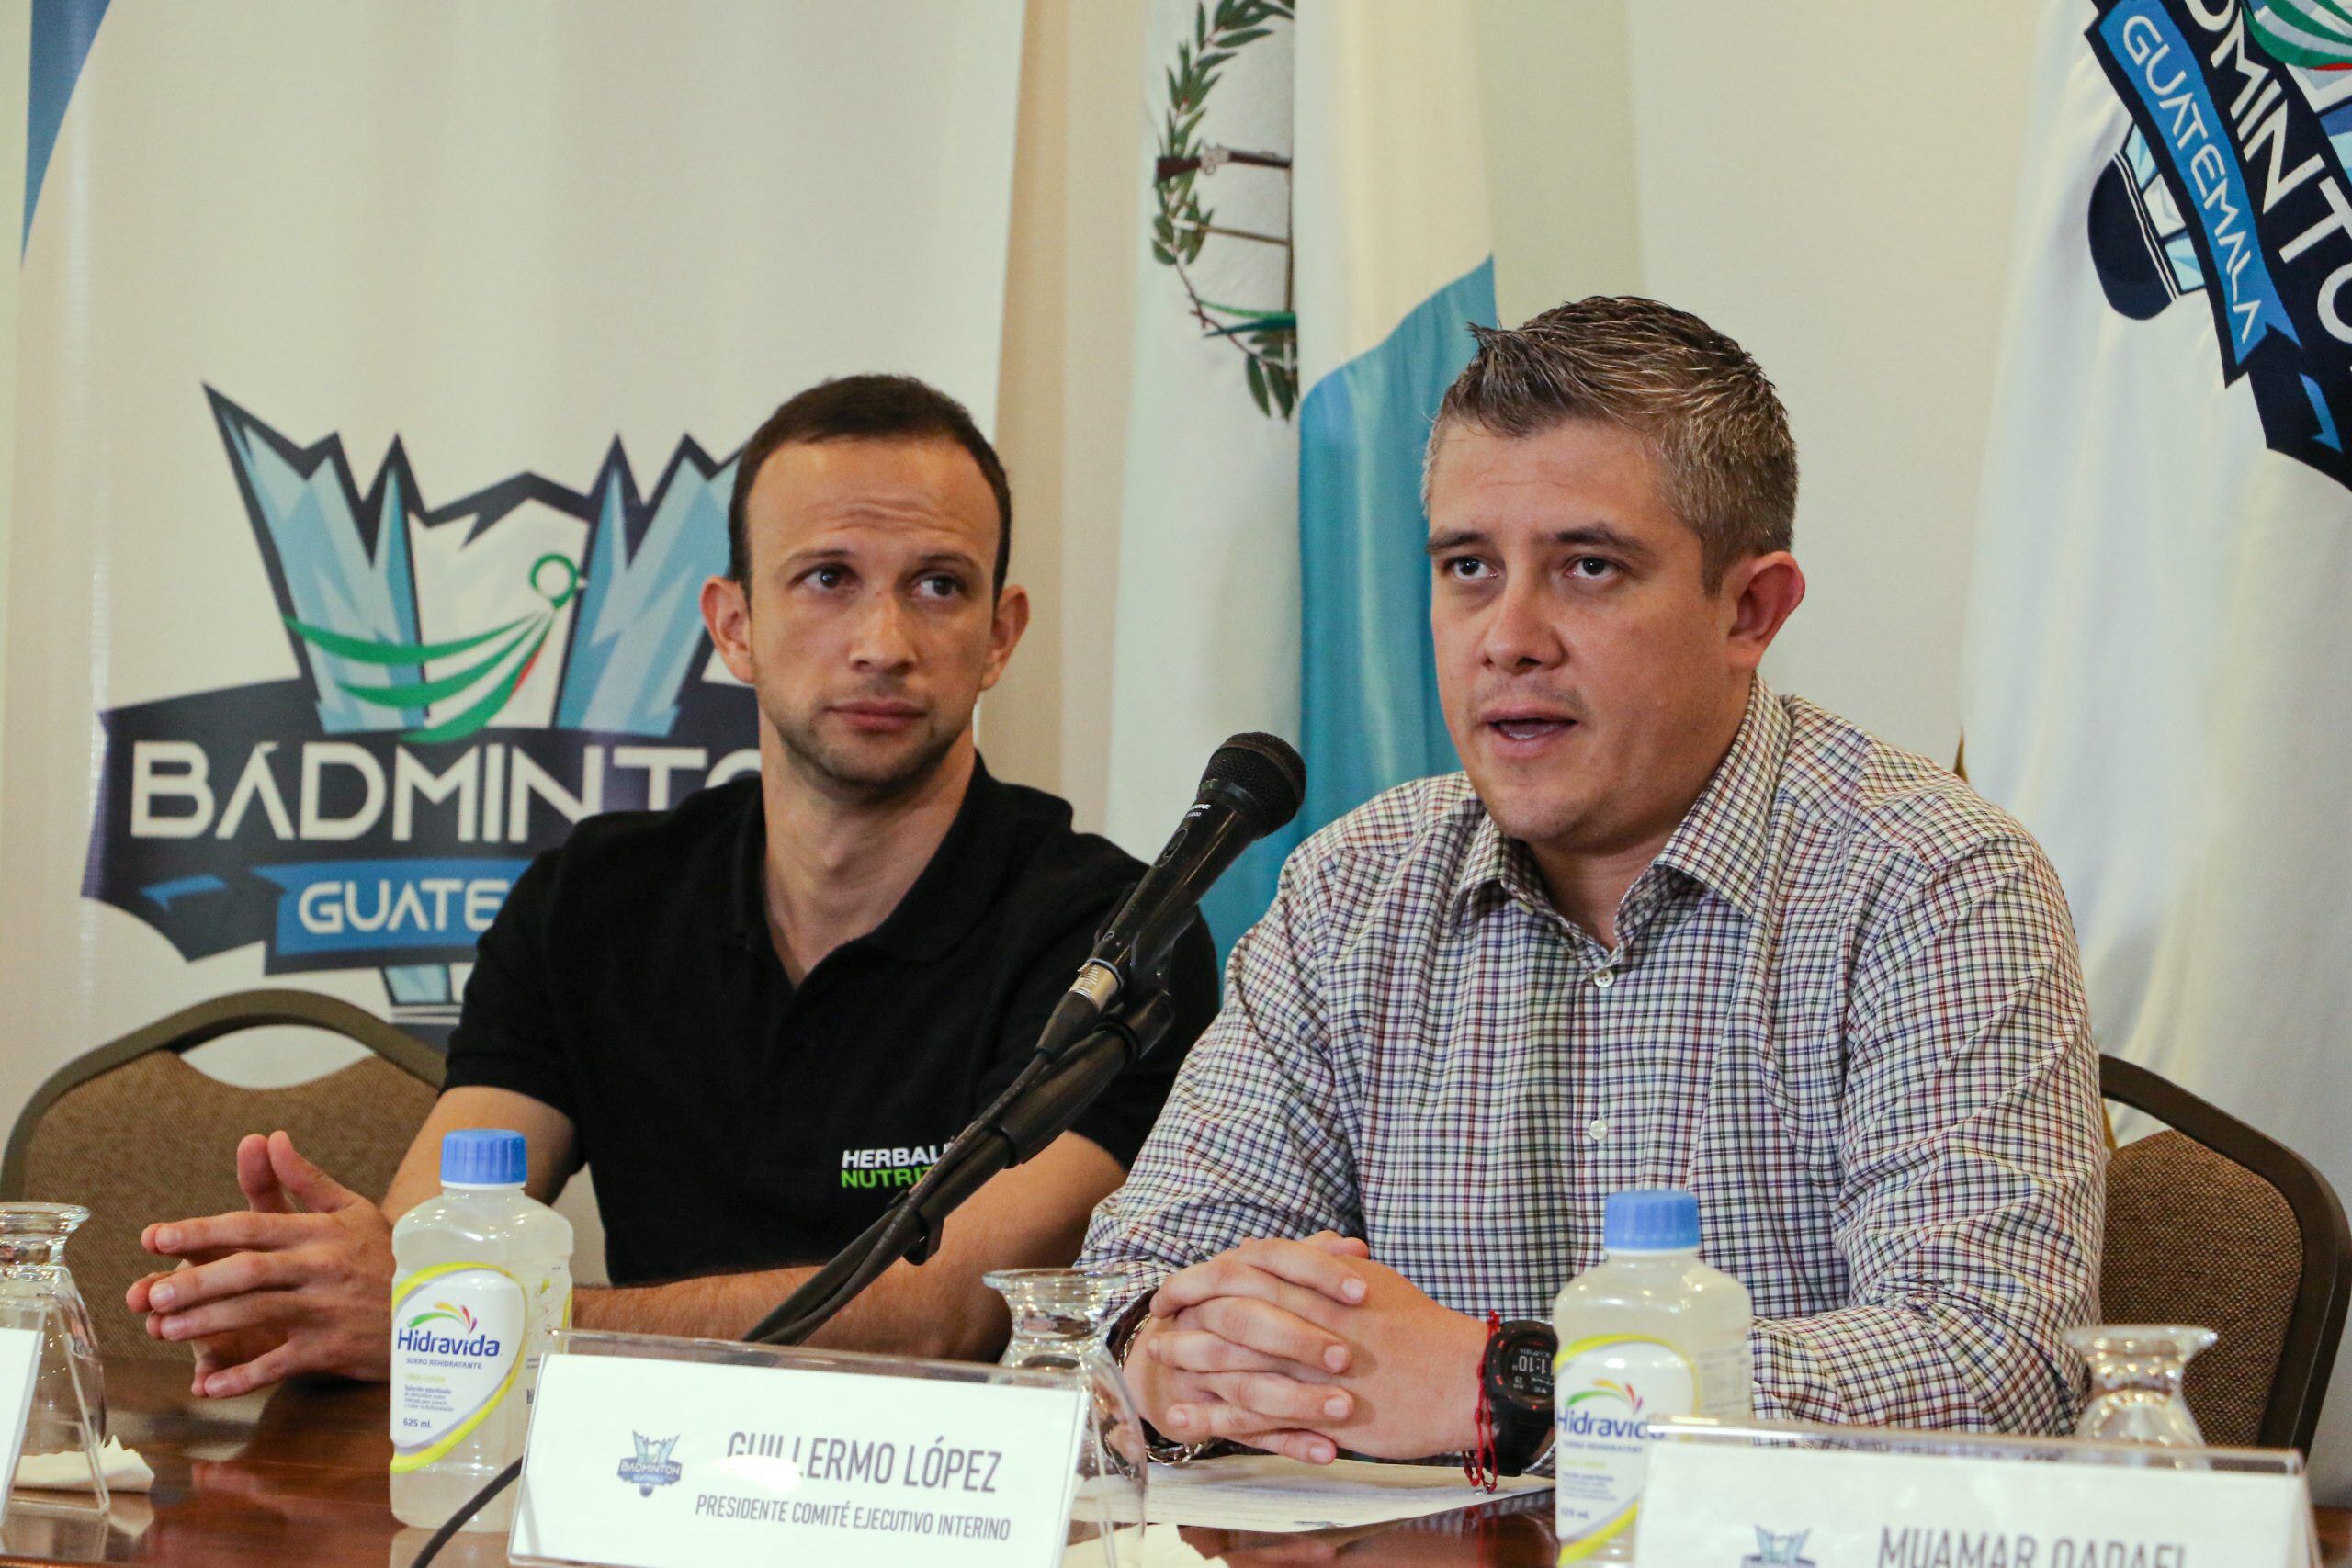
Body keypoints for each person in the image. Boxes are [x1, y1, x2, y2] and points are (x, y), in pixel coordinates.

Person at [1080, 298, 2106, 1471]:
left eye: (1587, 567)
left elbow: (1997, 1362)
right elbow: (1133, 1288)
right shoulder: (1349, 892)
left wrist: (1515, 1387)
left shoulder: (1933, 882)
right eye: (1468, 567)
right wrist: (1175, 1357)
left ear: (1749, 610)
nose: (1508, 637)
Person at [128, 374, 1219, 1397]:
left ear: (1000, 636)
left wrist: (483, 1322)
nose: (882, 643)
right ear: (733, 626)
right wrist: (317, 1297)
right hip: (627, 1478)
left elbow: (950, 1316)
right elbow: (438, 1245)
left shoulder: (1118, 938)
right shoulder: (593, 899)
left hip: (938, 1495)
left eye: (938, 586)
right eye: (827, 579)